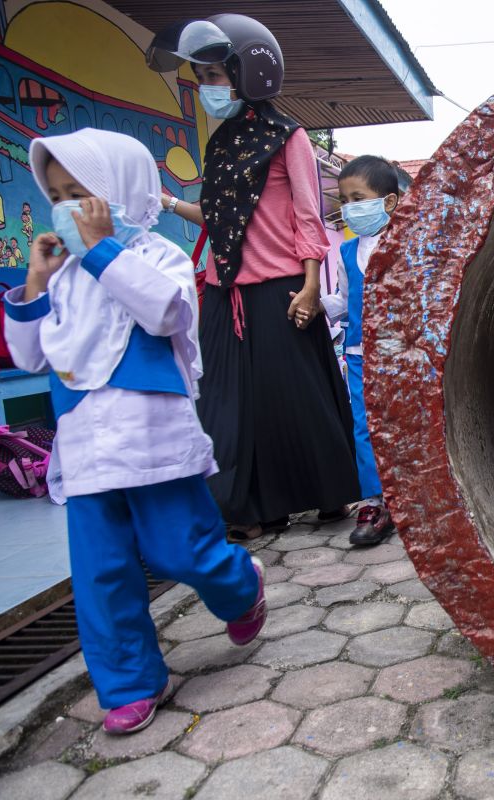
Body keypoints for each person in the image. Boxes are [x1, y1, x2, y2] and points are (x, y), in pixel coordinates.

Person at [3, 129, 266, 733]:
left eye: (83, 193)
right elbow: (31, 358)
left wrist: (99, 250)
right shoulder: (63, 276)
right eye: (58, 194)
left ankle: (239, 585)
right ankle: (129, 683)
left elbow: (168, 311)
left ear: (122, 190)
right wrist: (37, 284)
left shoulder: (155, 255)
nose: (69, 207)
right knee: (102, 574)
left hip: (153, 445)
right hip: (85, 450)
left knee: (183, 551)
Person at [147, 15, 359, 540]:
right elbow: (220, 217)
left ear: (248, 75)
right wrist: (170, 202)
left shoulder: (290, 137)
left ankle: (327, 496)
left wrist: (311, 286)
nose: (207, 89)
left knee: (295, 399)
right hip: (224, 291)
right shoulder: (220, 143)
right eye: (202, 79)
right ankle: (249, 508)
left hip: (281, 287)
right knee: (227, 401)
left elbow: (308, 217)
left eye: (215, 77)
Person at [320, 155, 398, 547]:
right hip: (358, 352)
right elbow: (344, 298)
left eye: (358, 197)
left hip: (403, 351)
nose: (350, 207)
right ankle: (375, 501)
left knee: (406, 416)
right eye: (344, 199)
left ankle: (412, 491)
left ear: (389, 202)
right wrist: (318, 306)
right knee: (365, 425)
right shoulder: (348, 253)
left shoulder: (408, 244)